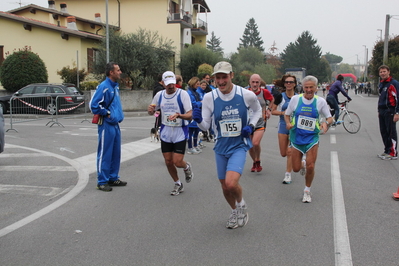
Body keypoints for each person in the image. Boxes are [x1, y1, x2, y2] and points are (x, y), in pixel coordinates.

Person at [192, 61, 261, 229]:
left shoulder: (246, 95)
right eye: (218, 78)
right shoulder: (210, 97)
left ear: (232, 76)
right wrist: (198, 120)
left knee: (231, 183)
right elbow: (206, 127)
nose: (221, 82)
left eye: (224, 77)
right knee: (224, 185)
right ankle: (234, 210)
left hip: (238, 145)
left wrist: (251, 126)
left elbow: (258, 111)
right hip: (220, 146)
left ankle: (241, 204)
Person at [284, 75, 333, 203]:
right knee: (295, 168)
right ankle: (302, 164)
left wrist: (325, 124)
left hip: (312, 138)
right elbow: (287, 115)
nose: (309, 90)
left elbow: (329, 117)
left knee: (311, 166)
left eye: (311, 87)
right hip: (296, 138)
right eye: (306, 87)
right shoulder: (295, 99)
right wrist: (288, 124)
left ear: (316, 88)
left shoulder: (320, 101)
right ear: (303, 87)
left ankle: (307, 190)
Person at [148, 71, 194, 196]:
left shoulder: (183, 94)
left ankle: (186, 167)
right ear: (163, 83)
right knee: (168, 161)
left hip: (179, 131)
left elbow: (190, 115)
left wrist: (179, 115)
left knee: (177, 162)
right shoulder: (159, 95)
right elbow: (153, 112)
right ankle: (178, 183)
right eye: (168, 84)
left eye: (173, 83)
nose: (171, 86)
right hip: (166, 131)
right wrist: (151, 110)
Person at [90, 62, 126, 192]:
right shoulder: (104, 87)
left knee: (116, 152)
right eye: (118, 70)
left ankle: (113, 177)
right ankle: (102, 181)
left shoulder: (115, 87)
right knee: (105, 152)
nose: (120, 72)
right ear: (111, 72)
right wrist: (107, 113)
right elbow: (94, 105)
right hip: (106, 124)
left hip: (115, 124)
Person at [271, 74, 298, 184]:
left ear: (295, 84)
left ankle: (288, 174)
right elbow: (273, 111)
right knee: (283, 153)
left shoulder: (298, 97)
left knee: (290, 151)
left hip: (294, 127)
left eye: (291, 82)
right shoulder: (280, 97)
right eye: (287, 82)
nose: (289, 84)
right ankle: (299, 162)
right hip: (283, 126)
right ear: (284, 84)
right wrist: (284, 113)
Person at [247, 74, 274, 172]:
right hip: (248, 122)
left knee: (255, 142)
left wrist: (269, 110)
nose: (255, 84)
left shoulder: (264, 92)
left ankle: (258, 159)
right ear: (250, 82)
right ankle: (255, 162)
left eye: (257, 82)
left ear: (260, 83)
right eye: (253, 82)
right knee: (250, 145)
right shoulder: (245, 92)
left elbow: (272, 100)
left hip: (260, 121)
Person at [377, 65, 399, 160]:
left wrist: (397, 113)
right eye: (381, 72)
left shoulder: (393, 83)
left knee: (391, 132)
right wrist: (379, 111)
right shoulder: (381, 84)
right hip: (382, 111)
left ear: (388, 72)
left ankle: (393, 152)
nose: (383, 73)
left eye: (384, 71)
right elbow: (380, 99)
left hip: (390, 110)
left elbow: (397, 98)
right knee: (384, 131)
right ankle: (387, 150)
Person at [186, 77, 202, 155]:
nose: (198, 86)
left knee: (196, 131)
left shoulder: (196, 93)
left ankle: (195, 145)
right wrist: (201, 103)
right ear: (193, 83)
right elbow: (193, 104)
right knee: (190, 131)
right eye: (197, 84)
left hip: (197, 113)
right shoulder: (189, 93)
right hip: (191, 114)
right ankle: (190, 147)